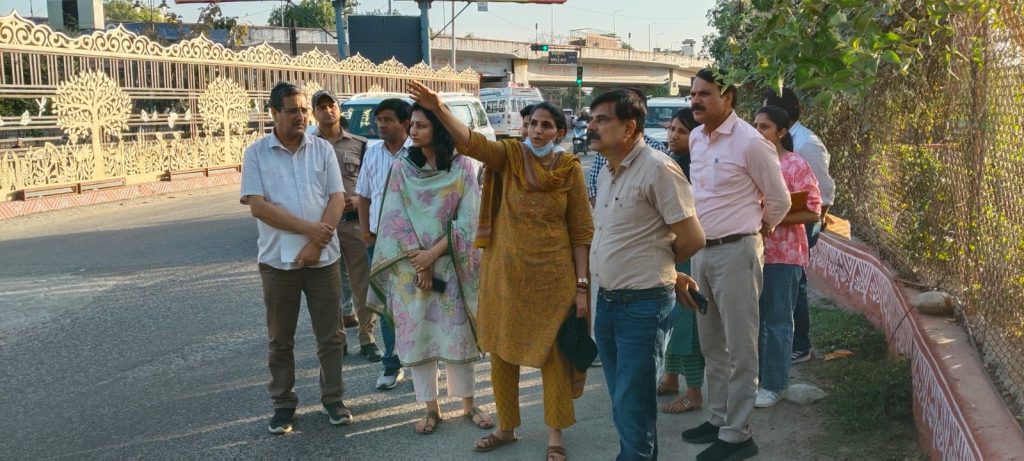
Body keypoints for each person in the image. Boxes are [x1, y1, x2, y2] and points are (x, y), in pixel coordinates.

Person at [408, 81, 593, 461]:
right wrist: (439, 108)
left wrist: (581, 287)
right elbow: (471, 143)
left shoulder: (569, 170)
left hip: (554, 282)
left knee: (555, 358)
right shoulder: (509, 156)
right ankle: (506, 428)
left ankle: (555, 435)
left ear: (559, 132)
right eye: (533, 124)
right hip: (505, 279)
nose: (537, 131)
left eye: (546, 125)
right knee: (503, 357)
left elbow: (580, 232)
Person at [588, 89, 706, 460]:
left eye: (602, 120)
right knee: (625, 403)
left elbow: (692, 238)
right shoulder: (607, 172)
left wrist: (662, 267)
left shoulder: (658, 169)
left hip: (642, 305)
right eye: (591, 119)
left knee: (632, 404)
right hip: (608, 302)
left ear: (629, 128)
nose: (591, 127)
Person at [680, 69, 790, 461]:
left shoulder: (751, 142)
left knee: (741, 346)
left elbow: (779, 200)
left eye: (705, 93)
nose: (696, 100)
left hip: (737, 252)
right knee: (711, 342)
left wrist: (758, 227)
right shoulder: (696, 137)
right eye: (693, 93)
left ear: (727, 97)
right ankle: (719, 418)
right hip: (702, 252)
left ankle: (738, 434)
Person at [366, 102, 493, 434]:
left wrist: (432, 255)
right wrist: (419, 261)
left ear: (440, 128)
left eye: (421, 125)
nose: (413, 131)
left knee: (458, 335)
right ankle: (430, 409)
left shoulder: (463, 166)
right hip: (411, 269)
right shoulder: (402, 167)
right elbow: (395, 219)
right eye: (413, 125)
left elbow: (470, 219)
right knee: (418, 336)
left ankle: (468, 404)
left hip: (452, 264)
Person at [240, 81, 353, 434]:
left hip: (324, 260)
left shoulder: (322, 150)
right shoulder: (256, 153)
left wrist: (317, 244)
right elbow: (258, 206)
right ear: (274, 113)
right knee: (280, 339)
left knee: (331, 335)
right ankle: (283, 404)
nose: (301, 117)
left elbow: (337, 198)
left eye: (304, 110)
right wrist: (309, 230)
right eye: (292, 111)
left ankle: (333, 399)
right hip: (278, 263)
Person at [750, 105, 823, 408]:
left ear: (781, 132)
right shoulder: (749, 163)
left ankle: (776, 385)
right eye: (755, 125)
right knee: (754, 321)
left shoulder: (795, 165)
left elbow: (813, 211)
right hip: (751, 252)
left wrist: (773, 220)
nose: (758, 132)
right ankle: (755, 381)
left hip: (784, 254)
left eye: (764, 126)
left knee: (778, 320)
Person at [764, 88, 836, 364]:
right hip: (779, 221)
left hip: (800, 220)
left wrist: (813, 222)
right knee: (786, 286)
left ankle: (799, 344)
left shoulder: (805, 144)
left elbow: (822, 190)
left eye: (765, 122)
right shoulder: (775, 147)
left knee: (794, 283)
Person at [311, 89, 381, 363]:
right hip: (323, 226)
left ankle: (367, 338)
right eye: (321, 107)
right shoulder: (308, 146)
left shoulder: (359, 145)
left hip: (353, 225)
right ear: (314, 113)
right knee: (329, 287)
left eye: (332, 105)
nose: (328, 111)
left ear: (339, 110)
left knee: (362, 283)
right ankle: (337, 340)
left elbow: (372, 183)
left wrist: (358, 200)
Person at [355, 98, 414, 390]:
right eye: (379, 120)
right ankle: (392, 364)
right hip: (378, 243)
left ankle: (423, 362)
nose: (381, 125)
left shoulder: (419, 152)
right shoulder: (373, 153)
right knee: (387, 305)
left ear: (405, 123)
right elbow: (364, 195)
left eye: (388, 119)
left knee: (417, 303)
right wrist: (366, 233)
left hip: (413, 244)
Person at [657, 107, 707, 415]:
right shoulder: (670, 163)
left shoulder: (696, 170)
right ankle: (670, 377)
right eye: (672, 129)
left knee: (686, 324)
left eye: (682, 131)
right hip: (667, 253)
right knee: (669, 320)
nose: (673, 135)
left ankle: (694, 392)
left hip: (687, 254)